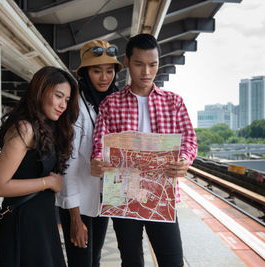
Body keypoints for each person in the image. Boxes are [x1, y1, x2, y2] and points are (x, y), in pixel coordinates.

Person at [90, 34, 198, 267]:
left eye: (153, 64)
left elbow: (189, 139)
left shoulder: (174, 102)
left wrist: (184, 160)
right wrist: (98, 160)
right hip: (122, 197)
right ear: (127, 62)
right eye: (139, 64)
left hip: (162, 195)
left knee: (172, 260)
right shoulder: (111, 104)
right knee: (131, 261)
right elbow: (100, 142)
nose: (147, 72)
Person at [0, 66, 79, 267]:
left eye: (67, 100)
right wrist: (48, 182)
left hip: (41, 222)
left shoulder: (46, 128)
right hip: (22, 224)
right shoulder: (25, 128)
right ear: (40, 90)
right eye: (58, 96)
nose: (63, 105)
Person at [56, 40, 123, 267]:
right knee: (81, 262)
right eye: (97, 71)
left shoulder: (111, 104)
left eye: (109, 70)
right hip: (78, 203)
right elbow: (68, 165)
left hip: (101, 199)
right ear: (85, 73)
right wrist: (75, 218)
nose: (104, 78)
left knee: (94, 258)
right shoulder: (75, 109)